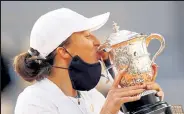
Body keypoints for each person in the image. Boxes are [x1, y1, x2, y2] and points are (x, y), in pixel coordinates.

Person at [13, 8, 164, 114]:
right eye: (87, 36)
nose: (97, 42)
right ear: (63, 51)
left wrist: (146, 101)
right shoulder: (33, 101)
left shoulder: (92, 96)